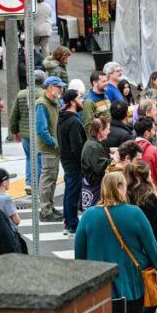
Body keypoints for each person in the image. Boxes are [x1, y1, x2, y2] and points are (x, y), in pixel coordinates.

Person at [75, 171, 157, 313]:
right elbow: (151, 245)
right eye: (124, 185)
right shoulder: (134, 213)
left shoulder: (88, 216)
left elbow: (79, 253)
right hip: (130, 279)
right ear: (119, 188)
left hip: (99, 282)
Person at [34, 76, 66, 221]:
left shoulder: (54, 102)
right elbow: (41, 129)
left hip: (52, 147)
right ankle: (46, 210)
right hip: (49, 148)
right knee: (48, 179)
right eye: (58, 87)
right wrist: (54, 143)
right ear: (50, 87)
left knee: (51, 179)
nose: (61, 89)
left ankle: (49, 207)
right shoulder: (42, 104)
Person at [8, 69, 45, 191]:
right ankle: (37, 183)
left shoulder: (21, 94)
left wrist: (14, 131)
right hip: (39, 134)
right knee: (39, 158)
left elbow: (14, 116)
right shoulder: (45, 94)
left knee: (29, 157)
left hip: (25, 133)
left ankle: (29, 182)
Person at [57, 88, 86, 235]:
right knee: (72, 194)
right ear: (72, 102)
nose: (82, 101)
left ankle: (68, 223)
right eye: (80, 98)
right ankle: (72, 225)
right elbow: (77, 147)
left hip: (66, 161)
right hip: (73, 163)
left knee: (69, 192)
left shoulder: (63, 118)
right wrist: (84, 162)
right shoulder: (73, 121)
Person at [134, 117, 157, 203]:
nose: (154, 133)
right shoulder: (154, 151)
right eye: (153, 130)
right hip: (156, 196)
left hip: (136, 197)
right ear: (147, 133)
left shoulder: (129, 149)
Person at [0, 169, 24, 249]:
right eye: (8, 180)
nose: (9, 182)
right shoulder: (7, 199)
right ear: (4, 182)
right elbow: (17, 221)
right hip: (9, 235)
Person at [81, 118, 111, 208]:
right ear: (100, 131)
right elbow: (101, 167)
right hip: (95, 187)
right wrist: (115, 159)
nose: (109, 132)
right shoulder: (94, 147)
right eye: (107, 129)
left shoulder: (92, 143)